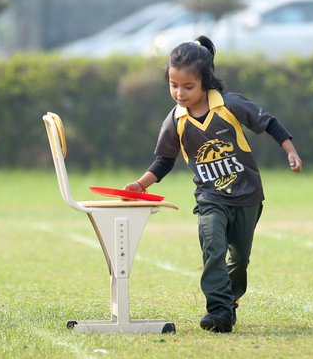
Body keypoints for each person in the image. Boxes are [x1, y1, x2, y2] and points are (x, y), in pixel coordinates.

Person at [124, 36, 302, 333]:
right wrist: (141, 185)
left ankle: (228, 303)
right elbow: (164, 161)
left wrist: (291, 151)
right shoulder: (175, 120)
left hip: (247, 195)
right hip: (210, 198)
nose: (179, 93)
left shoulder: (230, 104)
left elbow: (268, 123)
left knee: (240, 258)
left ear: (205, 82)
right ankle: (218, 309)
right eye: (173, 85)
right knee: (213, 246)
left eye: (188, 87)